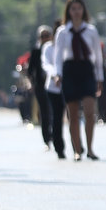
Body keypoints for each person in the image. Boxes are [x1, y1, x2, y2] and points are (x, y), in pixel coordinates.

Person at [52, 0, 104, 162]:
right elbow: (58, 55)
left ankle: (90, 148)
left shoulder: (91, 30)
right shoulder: (62, 32)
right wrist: (57, 74)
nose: (76, 12)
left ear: (83, 10)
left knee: (89, 111)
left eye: (79, 8)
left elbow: (97, 55)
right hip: (70, 70)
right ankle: (77, 149)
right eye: (73, 9)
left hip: (86, 69)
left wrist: (99, 77)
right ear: (68, 11)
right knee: (72, 114)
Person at [40, 21, 67, 158]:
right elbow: (46, 64)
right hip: (53, 86)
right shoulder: (48, 48)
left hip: (69, 84)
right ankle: (59, 147)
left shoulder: (68, 46)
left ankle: (78, 147)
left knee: (73, 116)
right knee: (57, 117)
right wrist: (56, 74)